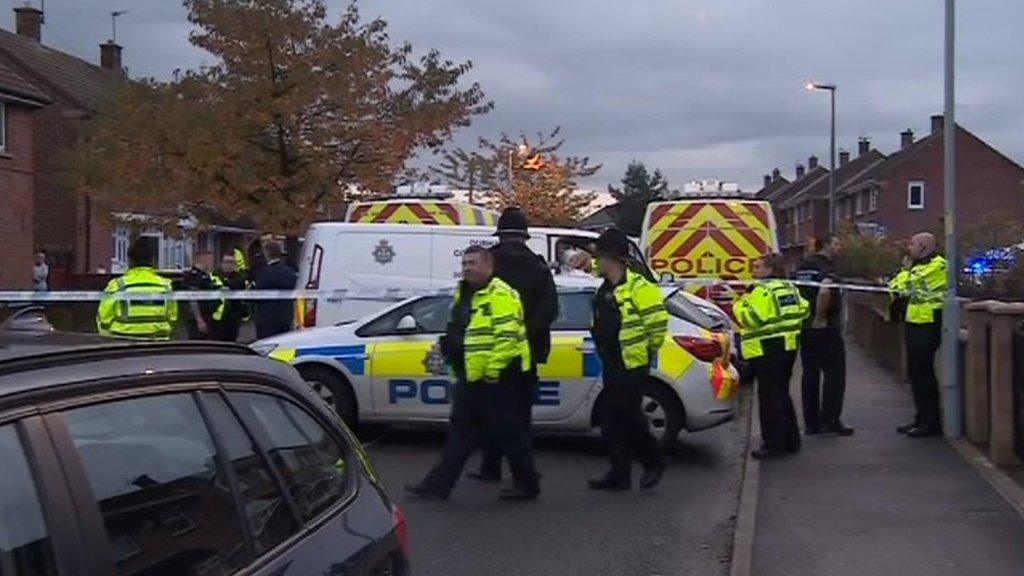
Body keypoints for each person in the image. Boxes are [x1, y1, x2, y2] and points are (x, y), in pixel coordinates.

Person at [405, 246, 541, 501]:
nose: (467, 268)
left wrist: (492, 371)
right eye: (465, 263)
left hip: (500, 376)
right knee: (461, 432)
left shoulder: (500, 294)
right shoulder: (465, 293)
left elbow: (507, 338)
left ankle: (528, 484)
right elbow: (462, 327)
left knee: (509, 432)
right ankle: (437, 486)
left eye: (473, 263)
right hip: (473, 375)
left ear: (489, 266)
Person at [467, 208, 558, 487]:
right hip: (525, 353)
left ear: (501, 234)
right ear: (525, 236)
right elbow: (551, 309)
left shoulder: (489, 264)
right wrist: (527, 332)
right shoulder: (538, 267)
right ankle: (515, 470)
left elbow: (470, 306)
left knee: (494, 415)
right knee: (518, 416)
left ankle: (495, 468)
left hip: (489, 352)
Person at [588, 228, 668, 491]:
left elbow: (657, 325)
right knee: (612, 420)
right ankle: (620, 473)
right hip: (611, 362)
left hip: (632, 363)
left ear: (611, 258)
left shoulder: (640, 288)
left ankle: (653, 460)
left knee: (630, 417)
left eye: (598, 257)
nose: (595, 262)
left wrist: (644, 353)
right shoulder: (604, 289)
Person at [734, 253, 810, 459]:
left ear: (769, 270)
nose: (754, 271)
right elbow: (804, 309)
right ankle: (791, 440)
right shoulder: (789, 288)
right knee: (782, 395)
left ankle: (773, 443)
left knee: (769, 399)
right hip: (788, 348)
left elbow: (751, 318)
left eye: (758, 267)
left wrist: (740, 303)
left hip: (767, 350)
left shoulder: (763, 291)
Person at [794, 234, 854, 436]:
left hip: (805, 326)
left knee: (810, 375)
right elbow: (824, 291)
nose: (840, 248)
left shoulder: (802, 266)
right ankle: (830, 420)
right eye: (837, 244)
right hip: (825, 326)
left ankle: (811, 424)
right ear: (826, 246)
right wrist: (820, 317)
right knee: (835, 375)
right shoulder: (828, 267)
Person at [888, 232, 948, 437]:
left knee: (924, 375)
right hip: (914, 322)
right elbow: (893, 288)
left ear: (924, 247)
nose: (909, 248)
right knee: (915, 374)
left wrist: (905, 271)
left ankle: (931, 422)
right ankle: (920, 417)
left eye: (912, 244)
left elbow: (904, 286)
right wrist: (905, 276)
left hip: (928, 324)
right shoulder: (917, 267)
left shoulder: (938, 265)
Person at [96, 240, 177, 341]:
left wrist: (110, 341)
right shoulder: (165, 286)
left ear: (130, 261)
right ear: (152, 261)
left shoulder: (117, 285)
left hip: (123, 344)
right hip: (157, 345)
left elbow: (103, 319)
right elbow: (172, 318)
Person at [177, 250, 226, 340]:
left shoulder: (205, 276)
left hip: (207, 317)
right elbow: (193, 300)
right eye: (211, 261)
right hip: (197, 320)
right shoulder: (193, 276)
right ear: (204, 260)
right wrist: (199, 320)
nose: (212, 264)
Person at [254, 239, 297, 339]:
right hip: (286, 318)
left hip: (266, 319)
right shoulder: (290, 272)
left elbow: (256, 295)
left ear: (266, 253)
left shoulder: (263, 273)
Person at [214, 252, 249, 342]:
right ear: (221, 263)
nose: (228, 265)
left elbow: (237, 286)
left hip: (233, 316)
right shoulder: (215, 275)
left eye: (231, 262)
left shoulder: (240, 278)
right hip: (217, 317)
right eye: (226, 262)